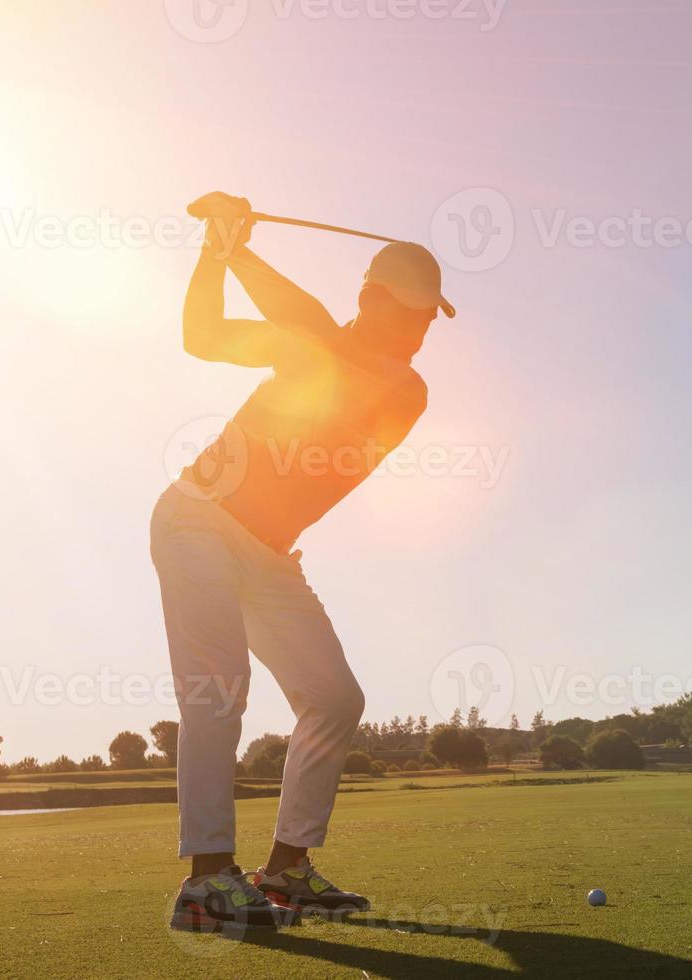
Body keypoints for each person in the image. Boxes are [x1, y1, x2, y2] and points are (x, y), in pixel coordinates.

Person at [154, 192, 453, 932]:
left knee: (334, 697)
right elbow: (201, 335)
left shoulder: (403, 387)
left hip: (270, 557)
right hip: (198, 520)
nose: (420, 330)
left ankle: (286, 871)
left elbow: (322, 335)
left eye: (427, 318)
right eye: (411, 312)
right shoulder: (310, 342)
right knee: (220, 689)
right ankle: (207, 883)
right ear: (372, 299)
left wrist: (241, 250)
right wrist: (213, 254)